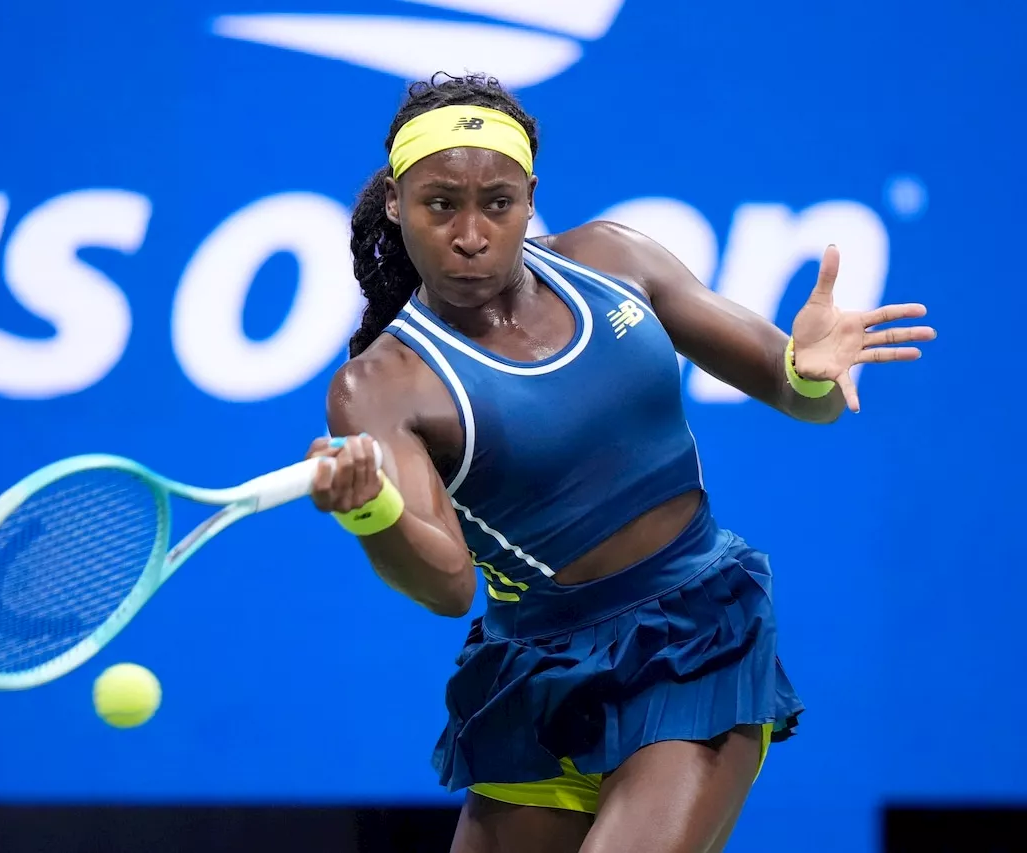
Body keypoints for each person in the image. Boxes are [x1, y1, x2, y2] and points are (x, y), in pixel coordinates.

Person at [305, 73, 935, 853]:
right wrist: (372, 513)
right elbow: (447, 584)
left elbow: (797, 388)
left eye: (496, 203)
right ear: (397, 202)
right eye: (441, 205)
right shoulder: (379, 384)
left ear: (529, 197)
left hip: (693, 642)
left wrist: (808, 368)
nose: (470, 234)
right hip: (534, 675)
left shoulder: (613, 259)